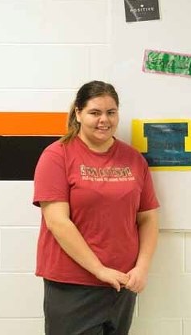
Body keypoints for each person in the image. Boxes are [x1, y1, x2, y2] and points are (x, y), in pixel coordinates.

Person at [33, 80, 160, 335]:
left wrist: (142, 268)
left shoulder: (133, 159)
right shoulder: (57, 155)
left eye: (111, 112)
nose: (104, 120)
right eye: (95, 112)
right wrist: (99, 270)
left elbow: (147, 218)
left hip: (121, 285)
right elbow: (58, 222)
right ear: (78, 113)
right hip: (72, 286)